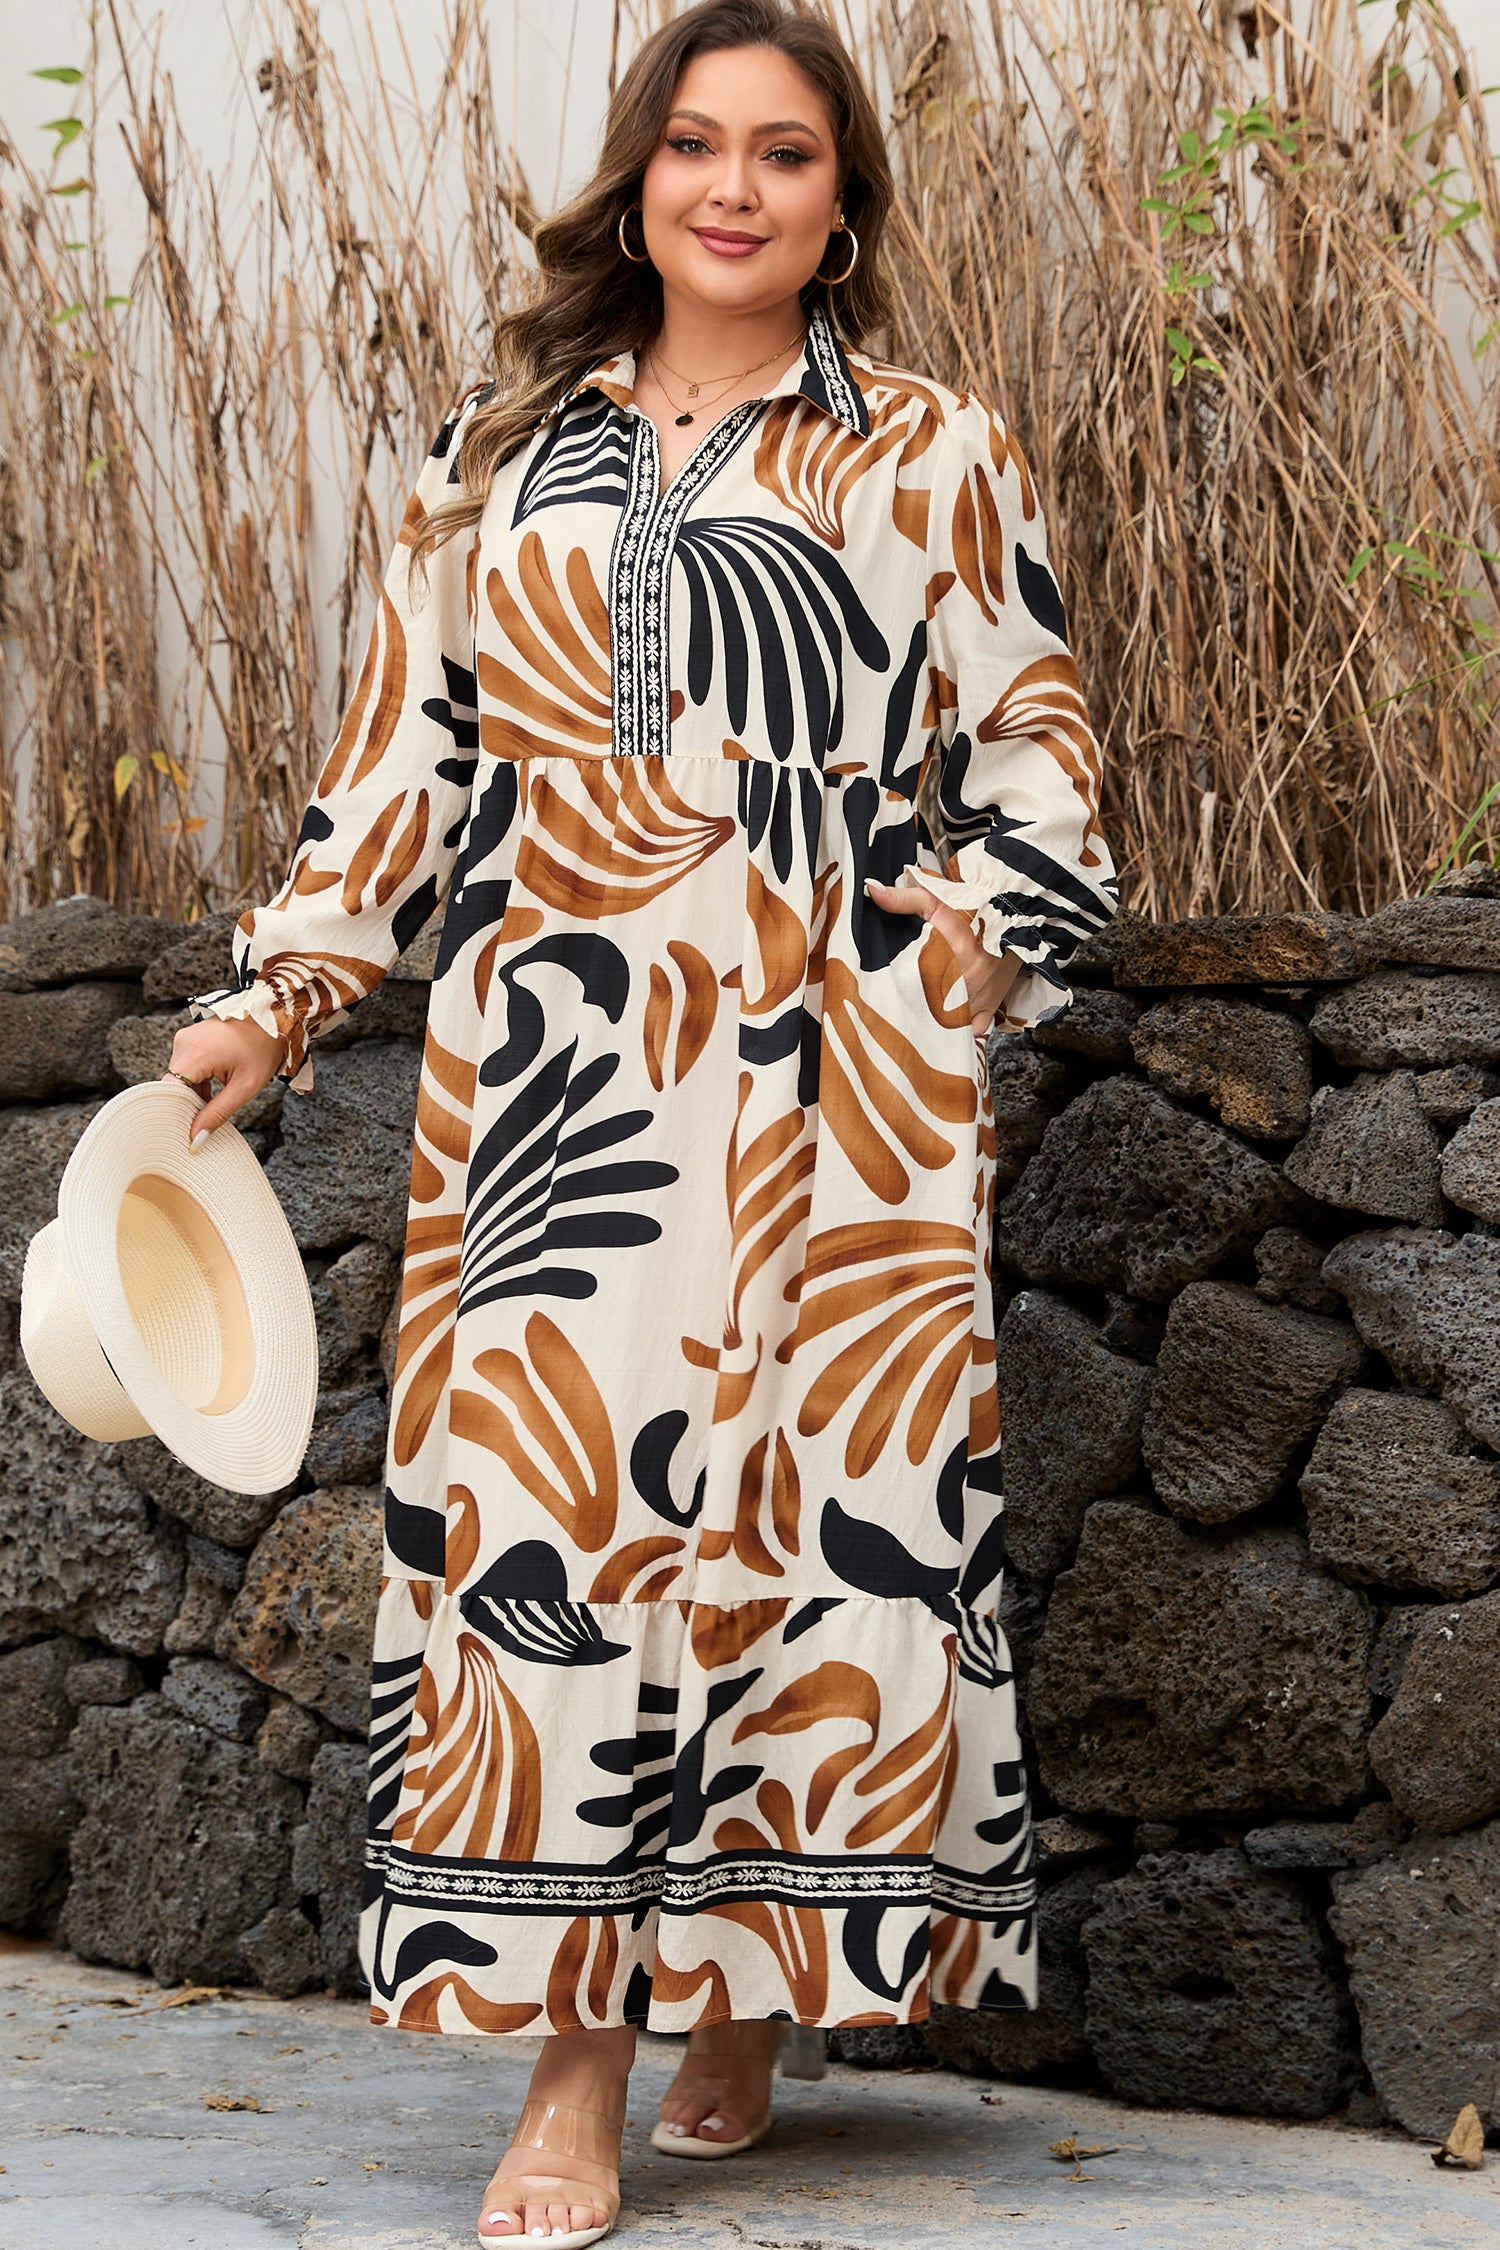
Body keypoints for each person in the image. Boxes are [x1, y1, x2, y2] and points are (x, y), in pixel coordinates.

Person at [168, 2, 1118, 2241]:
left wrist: (969, 941)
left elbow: (1041, 743)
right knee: (558, 1531)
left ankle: (740, 1995)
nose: (733, 188)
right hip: (553, 1079)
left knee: (804, 1513)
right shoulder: (490, 454)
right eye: (695, 145)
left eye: (785, 153)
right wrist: (272, 1004)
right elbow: (407, 761)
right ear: (639, 177)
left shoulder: (933, 449)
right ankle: (573, 2055)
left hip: (838, 1069)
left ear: (841, 202)